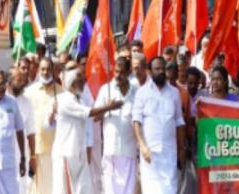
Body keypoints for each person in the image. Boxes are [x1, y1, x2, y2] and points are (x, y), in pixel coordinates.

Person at [52, 67, 123, 194]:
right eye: (81, 78)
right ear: (73, 82)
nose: (85, 81)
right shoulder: (63, 100)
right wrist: (109, 107)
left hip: (80, 153)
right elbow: (89, 113)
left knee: (84, 189)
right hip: (66, 154)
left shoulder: (80, 99)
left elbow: (91, 119)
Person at [133, 57, 186, 194]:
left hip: (169, 153)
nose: (161, 72)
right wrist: (143, 146)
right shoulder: (142, 92)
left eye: (163, 68)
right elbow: (136, 122)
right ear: (150, 71)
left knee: (170, 189)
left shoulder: (174, 93)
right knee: (151, 189)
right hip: (150, 153)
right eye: (157, 69)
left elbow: (179, 122)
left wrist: (181, 149)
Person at [95, 56, 138, 194]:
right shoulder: (105, 89)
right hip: (110, 150)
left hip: (129, 150)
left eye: (122, 72)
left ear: (128, 72)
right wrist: (108, 107)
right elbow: (95, 117)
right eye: (116, 72)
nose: (118, 75)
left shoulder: (135, 91)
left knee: (128, 189)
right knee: (110, 189)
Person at [25, 58, 60, 194]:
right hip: (35, 148)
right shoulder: (29, 92)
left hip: (55, 148)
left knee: (54, 188)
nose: (45, 72)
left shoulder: (61, 93)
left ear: (54, 71)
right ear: (38, 70)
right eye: (43, 69)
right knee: (36, 189)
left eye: (48, 69)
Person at [7, 63, 36, 194]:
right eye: (19, 80)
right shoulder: (2, 101)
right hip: (4, 155)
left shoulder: (27, 102)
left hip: (22, 156)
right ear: (9, 82)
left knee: (22, 188)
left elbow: (31, 132)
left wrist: (32, 157)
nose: (22, 82)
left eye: (23, 80)